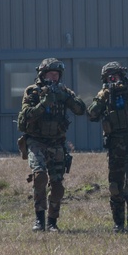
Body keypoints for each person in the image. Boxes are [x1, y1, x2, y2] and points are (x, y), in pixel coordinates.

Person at [17, 58, 86, 232]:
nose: (54, 77)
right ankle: (39, 220)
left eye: (56, 74)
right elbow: (26, 116)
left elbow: (81, 109)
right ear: (42, 74)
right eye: (50, 74)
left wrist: (65, 97)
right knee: (39, 176)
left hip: (57, 143)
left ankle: (52, 222)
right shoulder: (32, 92)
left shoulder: (63, 91)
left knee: (57, 185)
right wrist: (44, 103)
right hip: (36, 142)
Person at [86, 61, 128, 233]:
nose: (113, 79)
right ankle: (118, 223)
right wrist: (103, 96)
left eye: (115, 75)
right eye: (109, 76)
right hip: (115, 146)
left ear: (122, 75)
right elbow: (91, 114)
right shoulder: (105, 94)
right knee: (115, 186)